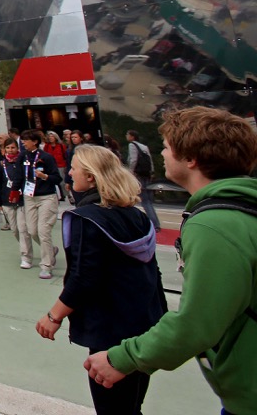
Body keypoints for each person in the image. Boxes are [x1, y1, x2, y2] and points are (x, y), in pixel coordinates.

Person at [85, 107, 257, 415]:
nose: (162, 153)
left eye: (166, 147)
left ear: (190, 159)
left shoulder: (214, 225)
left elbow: (196, 324)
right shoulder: (243, 208)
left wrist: (121, 358)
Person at [36, 145, 166, 414]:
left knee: (112, 408)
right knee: (132, 403)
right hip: (142, 327)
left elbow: (84, 277)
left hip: (109, 332)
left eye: (74, 167)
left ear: (91, 177)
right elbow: (153, 273)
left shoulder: (89, 219)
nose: (69, 173)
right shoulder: (137, 217)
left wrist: (53, 316)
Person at [21, 129, 61, 279]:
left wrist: (44, 176)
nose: (23, 142)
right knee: (32, 230)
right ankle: (51, 250)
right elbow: (19, 175)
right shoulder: (23, 156)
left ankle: (46, 266)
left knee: (43, 231)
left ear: (35, 141)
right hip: (29, 196)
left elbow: (57, 178)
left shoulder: (46, 157)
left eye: (26, 140)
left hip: (46, 197)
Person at [0, 137, 31, 266]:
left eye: (13, 147)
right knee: (15, 229)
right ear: (3, 150)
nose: (10, 150)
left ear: (17, 148)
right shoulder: (0, 165)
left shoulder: (23, 162)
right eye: (7, 148)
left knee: (22, 228)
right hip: (7, 200)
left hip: (21, 200)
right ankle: (28, 248)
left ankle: (25, 256)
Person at [125, 130, 160, 229]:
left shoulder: (132, 145)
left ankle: (151, 224)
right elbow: (150, 161)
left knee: (138, 199)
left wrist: (130, 172)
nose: (126, 136)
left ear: (132, 137)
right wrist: (151, 172)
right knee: (148, 200)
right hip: (146, 175)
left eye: (127, 135)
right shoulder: (144, 147)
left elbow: (133, 159)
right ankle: (155, 223)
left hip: (138, 175)